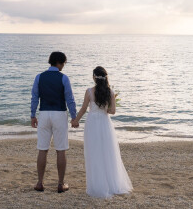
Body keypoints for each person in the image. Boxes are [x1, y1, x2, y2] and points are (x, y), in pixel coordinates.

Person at [72, 66, 133, 198]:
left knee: (94, 152)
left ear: (94, 77)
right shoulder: (110, 92)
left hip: (92, 123)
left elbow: (83, 109)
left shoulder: (89, 91)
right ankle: (112, 184)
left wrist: (75, 120)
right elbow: (112, 111)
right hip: (105, 124)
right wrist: (105, 109)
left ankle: (97, 185)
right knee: (107, 152)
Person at [30, 51, 79, 193]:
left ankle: (40, 183)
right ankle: (61, 184)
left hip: (44, 114)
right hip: (59, 114)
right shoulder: (64, 78)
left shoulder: (39, 77)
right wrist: (74, 117)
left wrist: (33, 115)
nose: (63, 66)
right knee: (60, 150)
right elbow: (70, 99)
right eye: (64, 63)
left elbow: (34, 97)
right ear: (60, 63)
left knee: (42, 149)